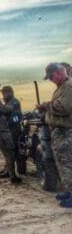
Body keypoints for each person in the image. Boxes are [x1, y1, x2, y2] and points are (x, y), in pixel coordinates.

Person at [37, 62, 72, 208]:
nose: (51, 80)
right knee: (64, 164)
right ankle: (70, 191)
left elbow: (64, 107)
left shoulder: (69, 86)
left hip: (67, 131)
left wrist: (46, 106)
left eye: (51, 77)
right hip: (61, 131)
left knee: (68, 163)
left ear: (58, 73)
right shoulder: (62, 87)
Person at [0, 86, 23, 177]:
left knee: (12, 151)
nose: (3, 95)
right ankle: (7, 169)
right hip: (10, 128)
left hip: (14, 129)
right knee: (9, 151)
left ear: (10, 93)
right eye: (2, 94)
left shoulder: (14, 102)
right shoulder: (9, 102)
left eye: (4, 93)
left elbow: (15, 117)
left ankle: (9, 171)